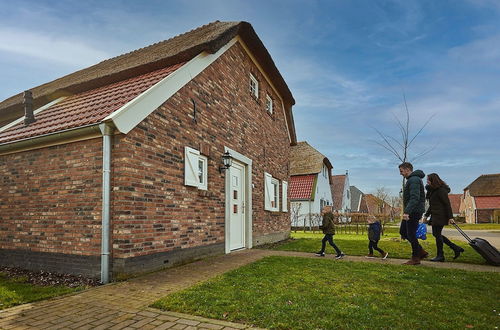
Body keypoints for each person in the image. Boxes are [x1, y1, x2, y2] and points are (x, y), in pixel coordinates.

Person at [423, 173, 465, 262]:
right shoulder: (433, 191)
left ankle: (440, 255)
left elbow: (447, 204)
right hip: (435, 215)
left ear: (433, 180)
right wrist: (426, 215)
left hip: (440, 216)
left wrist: (450, 217)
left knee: (437, 235)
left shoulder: (441, 190)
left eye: (428, 180)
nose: (427, 182)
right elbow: (432, 205)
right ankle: (455, 248)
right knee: (436, 234)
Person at [399, 162, 428, 265]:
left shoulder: (414, 180)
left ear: (407, 169)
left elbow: (415, 198)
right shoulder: (412, 180)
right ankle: (421, 251)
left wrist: (407, 212)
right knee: (403, 231)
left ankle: (416, 258)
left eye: (401, 171)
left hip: (413, 211)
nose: (401, 174)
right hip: (411, 210)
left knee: (410, 233)